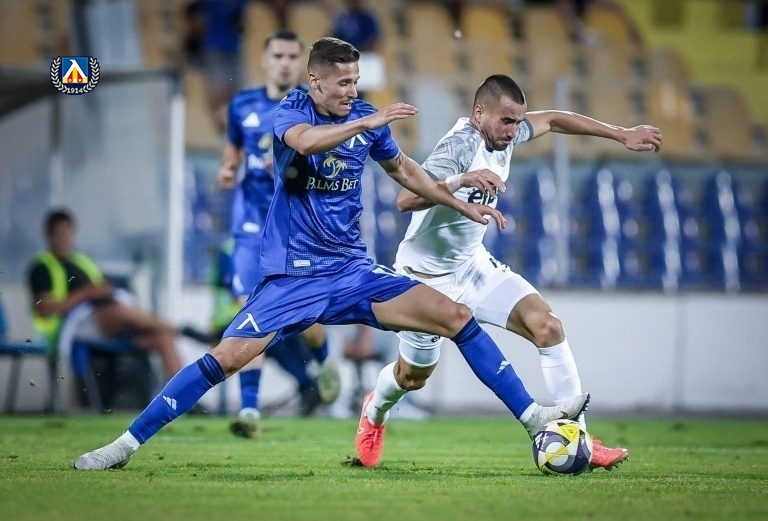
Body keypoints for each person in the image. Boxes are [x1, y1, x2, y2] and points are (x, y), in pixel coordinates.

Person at [73, 37, 589, 471]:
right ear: (315, 81)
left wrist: (457, 202)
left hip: (351, 271)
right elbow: (305, 143)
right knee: (225, 359)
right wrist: (364, 124)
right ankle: (124, 445)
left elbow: (406, 173)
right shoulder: (291, 111)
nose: (352, 91)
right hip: (293, 277)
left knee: (455, 316)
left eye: (356, 81)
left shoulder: (365, 118)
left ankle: (534, 420)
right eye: (342, 83)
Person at [356, 73, 662, 470]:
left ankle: (580, 438)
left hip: (473, 266)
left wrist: (621, 134)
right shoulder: (460, 145)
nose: (514, 130)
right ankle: (374, 413)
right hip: (423, 278)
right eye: (506, 121)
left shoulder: (506, 134)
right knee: (412, 377)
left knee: (547, 326)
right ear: (479, 113)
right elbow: (405, 199)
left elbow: (555, 118)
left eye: (518, 122)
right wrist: (462, 179)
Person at [216, 29, 340, 438]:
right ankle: (249, 410)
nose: (285, 63)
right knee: (249, 314)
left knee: (307, 317)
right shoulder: (243, 103)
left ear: (302, 65)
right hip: (251, 229)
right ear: (265, 60)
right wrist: (228, 167)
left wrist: (295, 167)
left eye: (291, 57)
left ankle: (323, 361)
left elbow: (333, 164)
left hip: (294, 227)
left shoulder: (313, 108)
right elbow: (234, 146)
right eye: (278, 56)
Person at [26, 209, 188, 382]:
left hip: (107, 319)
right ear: (48, 235)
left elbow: (98, 288)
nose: (65, 239)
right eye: (60, 234)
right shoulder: (41, 267)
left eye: (69, 234)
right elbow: (44, 309)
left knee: (163, 338)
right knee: (120, 312)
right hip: (73, 326)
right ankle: (176, 327)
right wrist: (86, 293)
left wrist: (105, 289)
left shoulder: (82, 262)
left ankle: (181, 395)